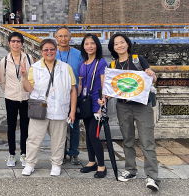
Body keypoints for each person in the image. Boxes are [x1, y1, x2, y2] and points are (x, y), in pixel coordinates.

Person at [106, 33, 159, 191]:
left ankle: (152, 176)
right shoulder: (113, 66)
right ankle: (130, 170)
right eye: (116, 44)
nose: (120, 46)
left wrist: (152, 74)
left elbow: (152, 78)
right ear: (113, 48)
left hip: (142, 106)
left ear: (127, 44)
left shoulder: (138, 59)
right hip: (123, 106)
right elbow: (111, 88)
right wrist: (104, 97)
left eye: (122, 42)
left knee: (147, 141)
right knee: (127, 139)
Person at [21, 38, 77, 177]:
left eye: (52, 49)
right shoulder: (35, 68)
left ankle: (56, 164)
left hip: (60, 108)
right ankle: (30, 163)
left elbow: (73, 90)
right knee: (34, 139)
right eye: (46, 50)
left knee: (58, 140)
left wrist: (73, 111)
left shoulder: (65, 67)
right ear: (41, 52)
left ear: (56, 50)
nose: (49, 52)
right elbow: (28, 88)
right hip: (40, 108)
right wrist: (23, 76)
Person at [0, 31, 33, 167]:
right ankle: (11, 153)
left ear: (22, 44)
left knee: (25, 126)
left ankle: (24, 153)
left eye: (18, 41)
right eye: (13, 41)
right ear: (9, 43)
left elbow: (32, 78)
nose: (16, 44)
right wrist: (8, 90)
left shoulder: (28, 58)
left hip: (26, 97)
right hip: (11, 97)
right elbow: (1, 80)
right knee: (11, 126)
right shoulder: (4, 61)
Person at [78, 34, 107, 178]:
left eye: (92, 43)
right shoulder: (83, 63)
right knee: (88, 135)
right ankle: (91, 161)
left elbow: (104, 84)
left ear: (97, 45)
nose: (89, 46)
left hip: (97, 104)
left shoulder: (101, 62)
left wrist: (103, 102)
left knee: (93, 135)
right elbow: (80, 84)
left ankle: (101, 165)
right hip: (85, 103)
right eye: (86, 43)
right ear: (83, 46)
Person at [55, 26, 83, 165]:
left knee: (74, 125)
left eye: (65, 36)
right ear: (56, 38)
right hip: (57, 96)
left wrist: (80, 88)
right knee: (59, 126)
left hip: (74, 94)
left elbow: (82, 74)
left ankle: (74, 152)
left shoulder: (78, 54)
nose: (63, 39)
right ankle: (62, 151)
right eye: (60, 36)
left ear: (70, 37)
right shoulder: (52, 53)